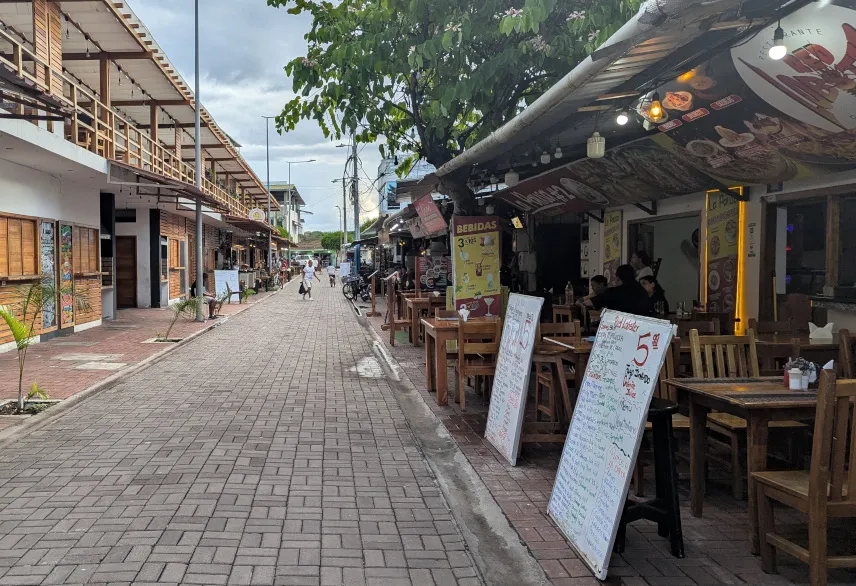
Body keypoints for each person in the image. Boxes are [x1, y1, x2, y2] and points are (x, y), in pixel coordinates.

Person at [583, 264, 650, 317]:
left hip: (619, 328)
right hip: (641, 329)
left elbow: (588, 303)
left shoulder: (613, 292)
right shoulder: (643, 291)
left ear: (618, 278)